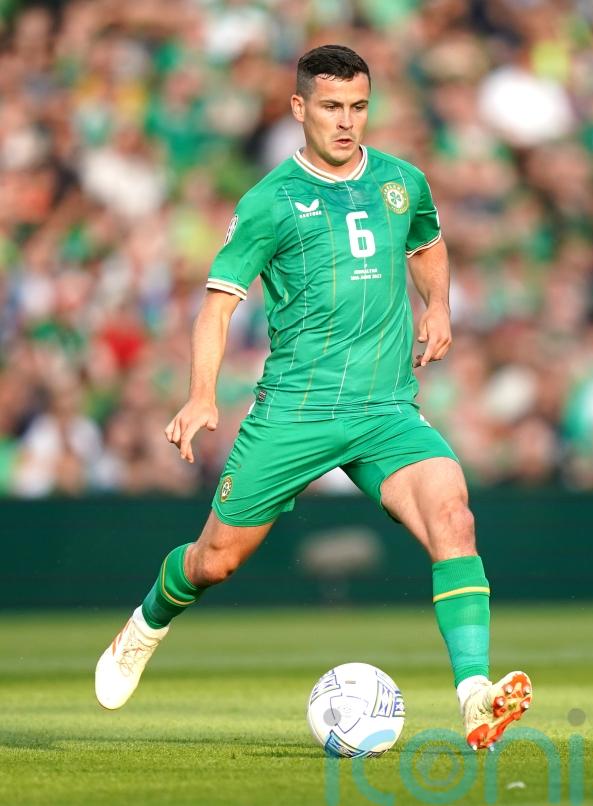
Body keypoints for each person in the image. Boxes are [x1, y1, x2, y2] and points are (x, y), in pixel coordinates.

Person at [95, 45, 531, 751]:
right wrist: (202, 396)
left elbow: (426, 244)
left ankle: (474, 696)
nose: (347, 121)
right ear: (299, 108)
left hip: (386, 410)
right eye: (331, 107)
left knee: (454, 516)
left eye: (358, 107)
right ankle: (147, 623)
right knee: (214, 562)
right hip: (296, 413)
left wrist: (439, 306)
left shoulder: (402, 181)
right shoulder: (269, 202)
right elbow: (217, 307)